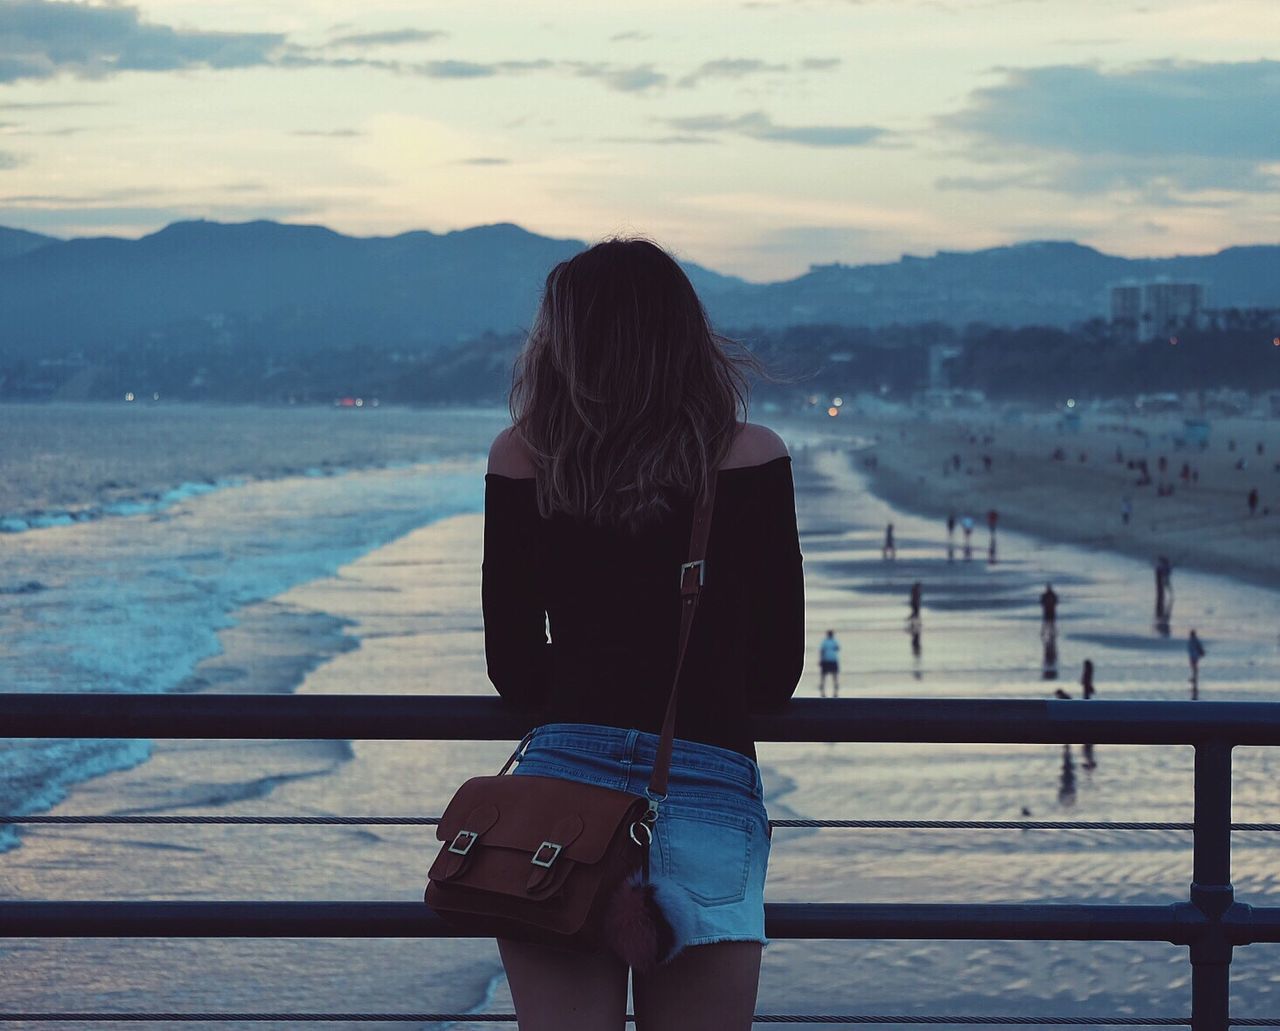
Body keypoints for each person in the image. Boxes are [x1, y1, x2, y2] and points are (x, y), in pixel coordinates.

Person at [481, 238, 804, 1031]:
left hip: (560, 799)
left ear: (567, 346)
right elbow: (776, 673)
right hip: (704, 789)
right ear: (683, 334)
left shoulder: (524, 457)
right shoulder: (751, 454)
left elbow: (515, 670)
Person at [818, 630, 840, 698]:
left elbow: (821, 651)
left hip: (826, 659)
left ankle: (822, 685)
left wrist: (821, 659)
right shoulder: (834, 641)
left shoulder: (824, 642)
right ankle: (836, 685)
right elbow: (838, 648)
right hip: (833, 659)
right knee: (834, 674)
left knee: (824, 674)